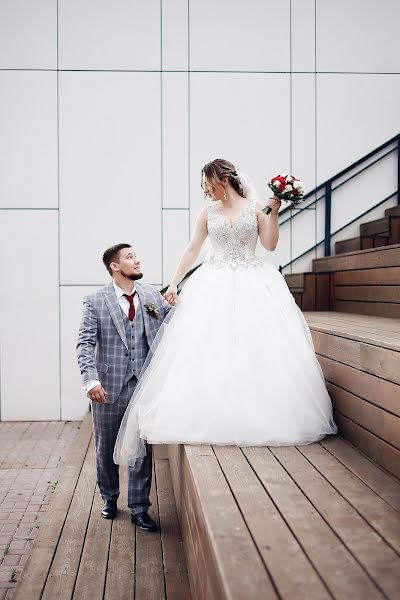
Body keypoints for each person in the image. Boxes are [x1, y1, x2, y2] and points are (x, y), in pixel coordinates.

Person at [114, 159, 337, 466]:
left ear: (220, 179)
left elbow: (269, 245)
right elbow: (193, 248)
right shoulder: (208, 214)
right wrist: (174, 283)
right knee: (212, 345)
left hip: (253, 281)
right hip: (213, 282)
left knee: (255, 345)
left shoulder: (256, 206)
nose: (204, 191)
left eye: (206, 184)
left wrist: (274, 213)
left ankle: (259, 412)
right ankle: (214, 410)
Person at [77, 244, 172, 531]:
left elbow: (171, 321)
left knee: (141, 449)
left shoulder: (151, 295)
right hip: (107, 388)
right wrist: (90, 380)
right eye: (130, 257)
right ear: (115, 266)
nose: (137, 259)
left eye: (136, 255)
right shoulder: (95, 301)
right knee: (105, 450)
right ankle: (109, 497)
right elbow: (85, 343)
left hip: (144, 386)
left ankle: (139, 507)